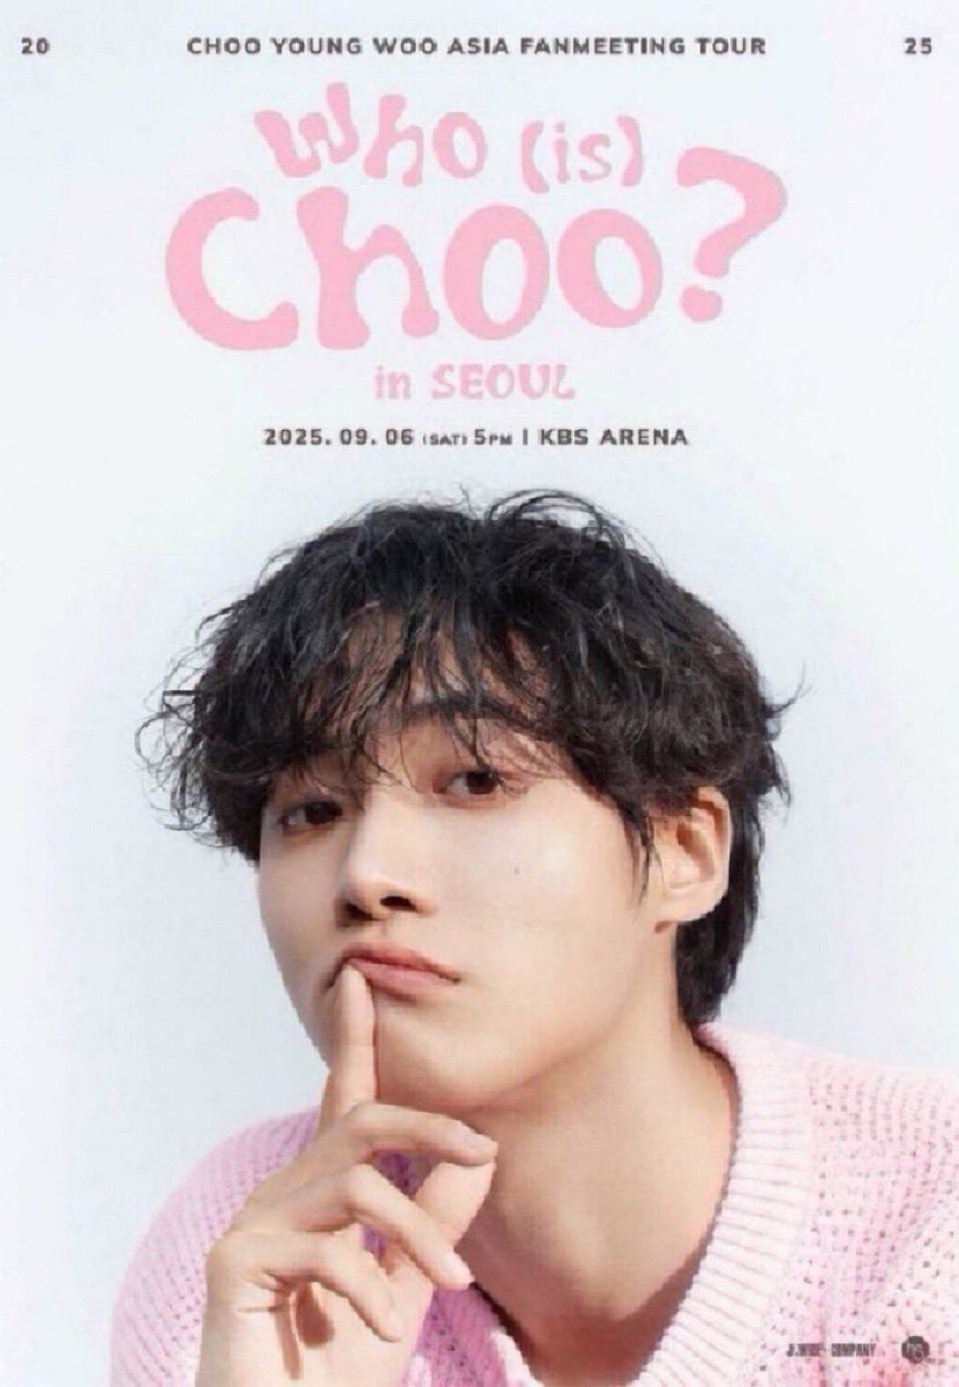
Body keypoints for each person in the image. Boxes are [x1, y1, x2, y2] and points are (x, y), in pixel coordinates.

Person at [111, 489, 959, 1387]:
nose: (366, 874)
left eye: (475, 780)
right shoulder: (245, 1254)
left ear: (683, 850)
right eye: (312, 810)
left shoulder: (926, 1225)